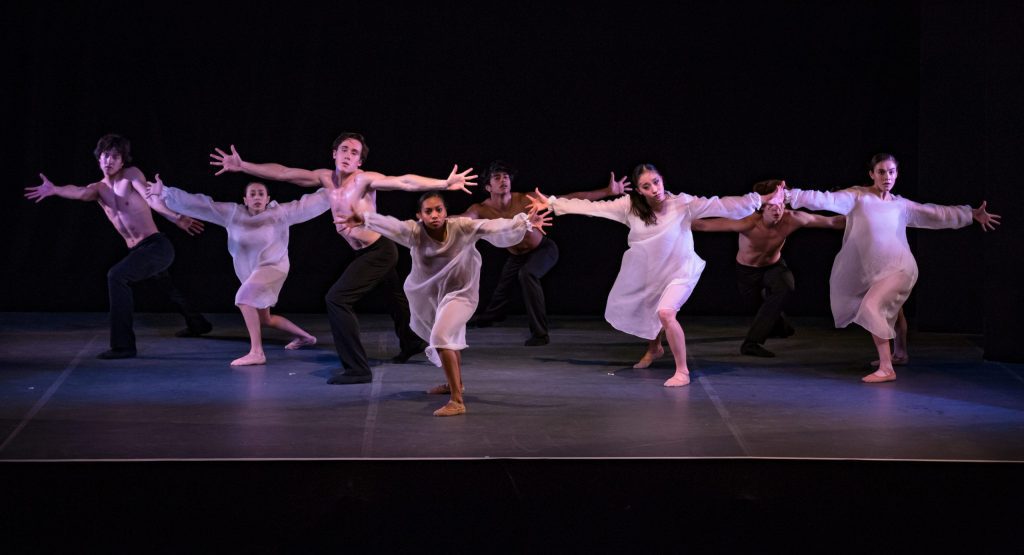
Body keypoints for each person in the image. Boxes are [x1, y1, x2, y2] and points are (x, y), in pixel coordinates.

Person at [209, 133, 476, 384]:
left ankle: (357, 368)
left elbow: (403, 180)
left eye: (355, 153)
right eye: (344, 150)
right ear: (334, 154)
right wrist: (243, 165)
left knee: (336, 299)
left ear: (360, 161)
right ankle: (411, 342)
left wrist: (443, 183)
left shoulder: (364, 180)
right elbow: (285, 173)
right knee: (394, 298)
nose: (348, 155)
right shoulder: (326, 179)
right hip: (365, 251)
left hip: (380, 250)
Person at [528, 164, 783, 387]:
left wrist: (762, 199)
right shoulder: (628, 206)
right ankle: (655, 348)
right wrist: (551, 202)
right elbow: (590, 208)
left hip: (681, 271)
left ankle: (682, 371)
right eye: (647, 186)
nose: (654, 189)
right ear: (639, 190)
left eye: (656, 182)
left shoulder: (682, 202)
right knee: (650, 307)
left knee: (665, 312)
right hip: (652, 272)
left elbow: (722, 204)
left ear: (662, 180)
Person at [786, 153, 1000, 382]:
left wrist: (969, 214)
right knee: (895, 312)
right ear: (871, 174)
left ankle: (887, 368)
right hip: (876, 270)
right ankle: (900, 353)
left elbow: (935, 213)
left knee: (871, 306)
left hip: (901, 268)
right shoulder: (857, 196)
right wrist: (789, 195)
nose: (887, 177)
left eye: (891, 172)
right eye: (881, 172)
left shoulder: (901, 205)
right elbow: (823, 199)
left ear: (897, 174)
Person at [338, 192, 551, 415]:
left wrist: (524, 222)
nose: (434, 215)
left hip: (462, 295)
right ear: (419, 215)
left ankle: (457, 401)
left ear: (445, 212)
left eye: (439, 209)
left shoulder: (462, 227)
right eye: (428, 211)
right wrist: (365, 219)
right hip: (434, 296)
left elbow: (491, 226)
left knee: (441, 337)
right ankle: (455, 384)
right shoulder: (414, 232)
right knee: (451, 339)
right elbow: (393, 225)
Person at [24, 134, 211, 359]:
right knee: (169, 288)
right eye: (105, 156)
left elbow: (151, 198)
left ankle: (123, 346)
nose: (109, 161)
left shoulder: (130, 176)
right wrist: (55, 190)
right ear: (99, 159)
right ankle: (198, 323)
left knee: (116, 276)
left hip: (156, 246)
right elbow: (79, 191)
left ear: (123, 161)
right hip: (138, 251)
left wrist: (176, 217)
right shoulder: (98, 189)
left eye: (115, 156)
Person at [149, 176, 330, 365]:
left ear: (268, 198)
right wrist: (165, 192)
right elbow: (202, 204)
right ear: (245, 199)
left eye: (261, 194)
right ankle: (305, 338)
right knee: (265, 318)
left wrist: (335, 190)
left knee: (243, 298)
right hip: (252, 272)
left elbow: (306, 204)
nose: (257, 197)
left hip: (274, 267)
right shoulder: (233, 213)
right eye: (253, 194)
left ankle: (257, 352)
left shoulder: (280, 213)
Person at [459, 160, 630, 346]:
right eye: (497, 177)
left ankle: (540, 334)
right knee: (502, 288)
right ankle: (487, 318)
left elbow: (569, 198)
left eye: (506, 177)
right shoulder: (481, 209)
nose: (503, 180)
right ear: (488, 186)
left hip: (543, 249)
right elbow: (461, 220)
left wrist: (607, 192)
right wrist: (433, 219)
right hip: (516, 255)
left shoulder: (526, 199)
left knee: (527, 274)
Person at [692, 179, 846, 357]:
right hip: (747, 271)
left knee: (786, 285)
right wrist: (670, 221)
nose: (777, 210)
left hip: (774, 267)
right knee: (759, 308)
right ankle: (780, 326)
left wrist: (861, 215)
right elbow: (703, 225)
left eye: (780, 205)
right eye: (772, 205)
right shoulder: (747, 222)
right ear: (762, 207)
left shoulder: (792, 219)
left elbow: (833, 222)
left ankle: (751, 343)